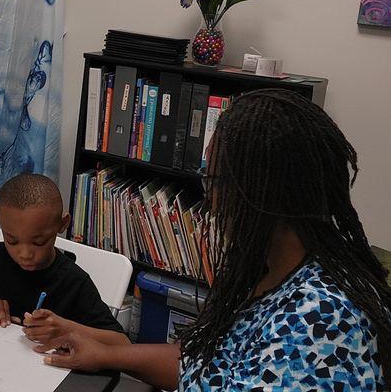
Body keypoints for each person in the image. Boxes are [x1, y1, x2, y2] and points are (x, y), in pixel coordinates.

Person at [30, 90, 391, 391]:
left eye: (214, 180)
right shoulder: (270, 268)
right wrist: (101, 351)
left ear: (259, 194)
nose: (209, 199)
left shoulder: (323, 320)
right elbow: (208, 365)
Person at [0, 174, 129, 346]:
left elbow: (121, 343)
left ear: (62, 224)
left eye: (39, 242)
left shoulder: (74, 282)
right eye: (12, 240)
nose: (25, 254)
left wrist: (68, 329)